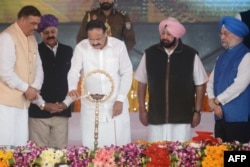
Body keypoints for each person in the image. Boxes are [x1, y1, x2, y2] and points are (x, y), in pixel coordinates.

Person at [134, 17, 208, 142]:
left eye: (169, 34)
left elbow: (200, 84)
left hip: (182, 118)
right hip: (156, 116)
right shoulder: (150, 54)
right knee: (156, 155)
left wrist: (197, 111)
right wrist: (142, 110)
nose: (165, 37)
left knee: (181, 156)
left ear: (177, 36)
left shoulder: (190, 55)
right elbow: (141, 82)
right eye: (163, 33)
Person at [68, 19, 133, 149]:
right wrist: (72, 87)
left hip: (115, 102)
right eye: (91, 39)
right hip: (91, 104)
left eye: (98, 38)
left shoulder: (118, 46)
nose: (95, 42)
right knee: (91, 144)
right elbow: (74, 70)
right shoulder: (81, 47)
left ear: (106, 33)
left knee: (119, 144)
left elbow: (126, 73)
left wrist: (120, 99)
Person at [28, 14, 73, 149]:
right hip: (38, 113)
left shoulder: (68, 51)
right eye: (46, 32)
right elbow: (30, 81)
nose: (50, 35)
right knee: (38, 154)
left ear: (57, 31)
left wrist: (65, 104)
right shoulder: (34, 51)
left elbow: (73, 79)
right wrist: (43, 105)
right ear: (40, 34)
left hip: (61, 111)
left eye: (53, 31)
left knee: (60, 154)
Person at [0, 5, 43, 146]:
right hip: (6, 103)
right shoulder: (7, 37)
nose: (36, 27)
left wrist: (34, 88)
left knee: (21, 147)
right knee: (6, 146)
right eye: (33, 23)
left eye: (37, 23)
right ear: (22, 20)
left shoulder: (31, 39)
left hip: (24, 102)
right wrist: (27, 88)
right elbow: (5, 72)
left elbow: (38, 67)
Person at [207, 16, 250, 143]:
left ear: (237, 34)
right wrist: (212, 102)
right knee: (219, 156)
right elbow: (211, 82)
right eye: (221, 34)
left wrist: (217, 101)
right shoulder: (220, 57)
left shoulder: (247, 56)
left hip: (238, 118)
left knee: (237, 156)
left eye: (226, 34)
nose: (222, 37)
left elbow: (239, 86)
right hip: (219, 117)